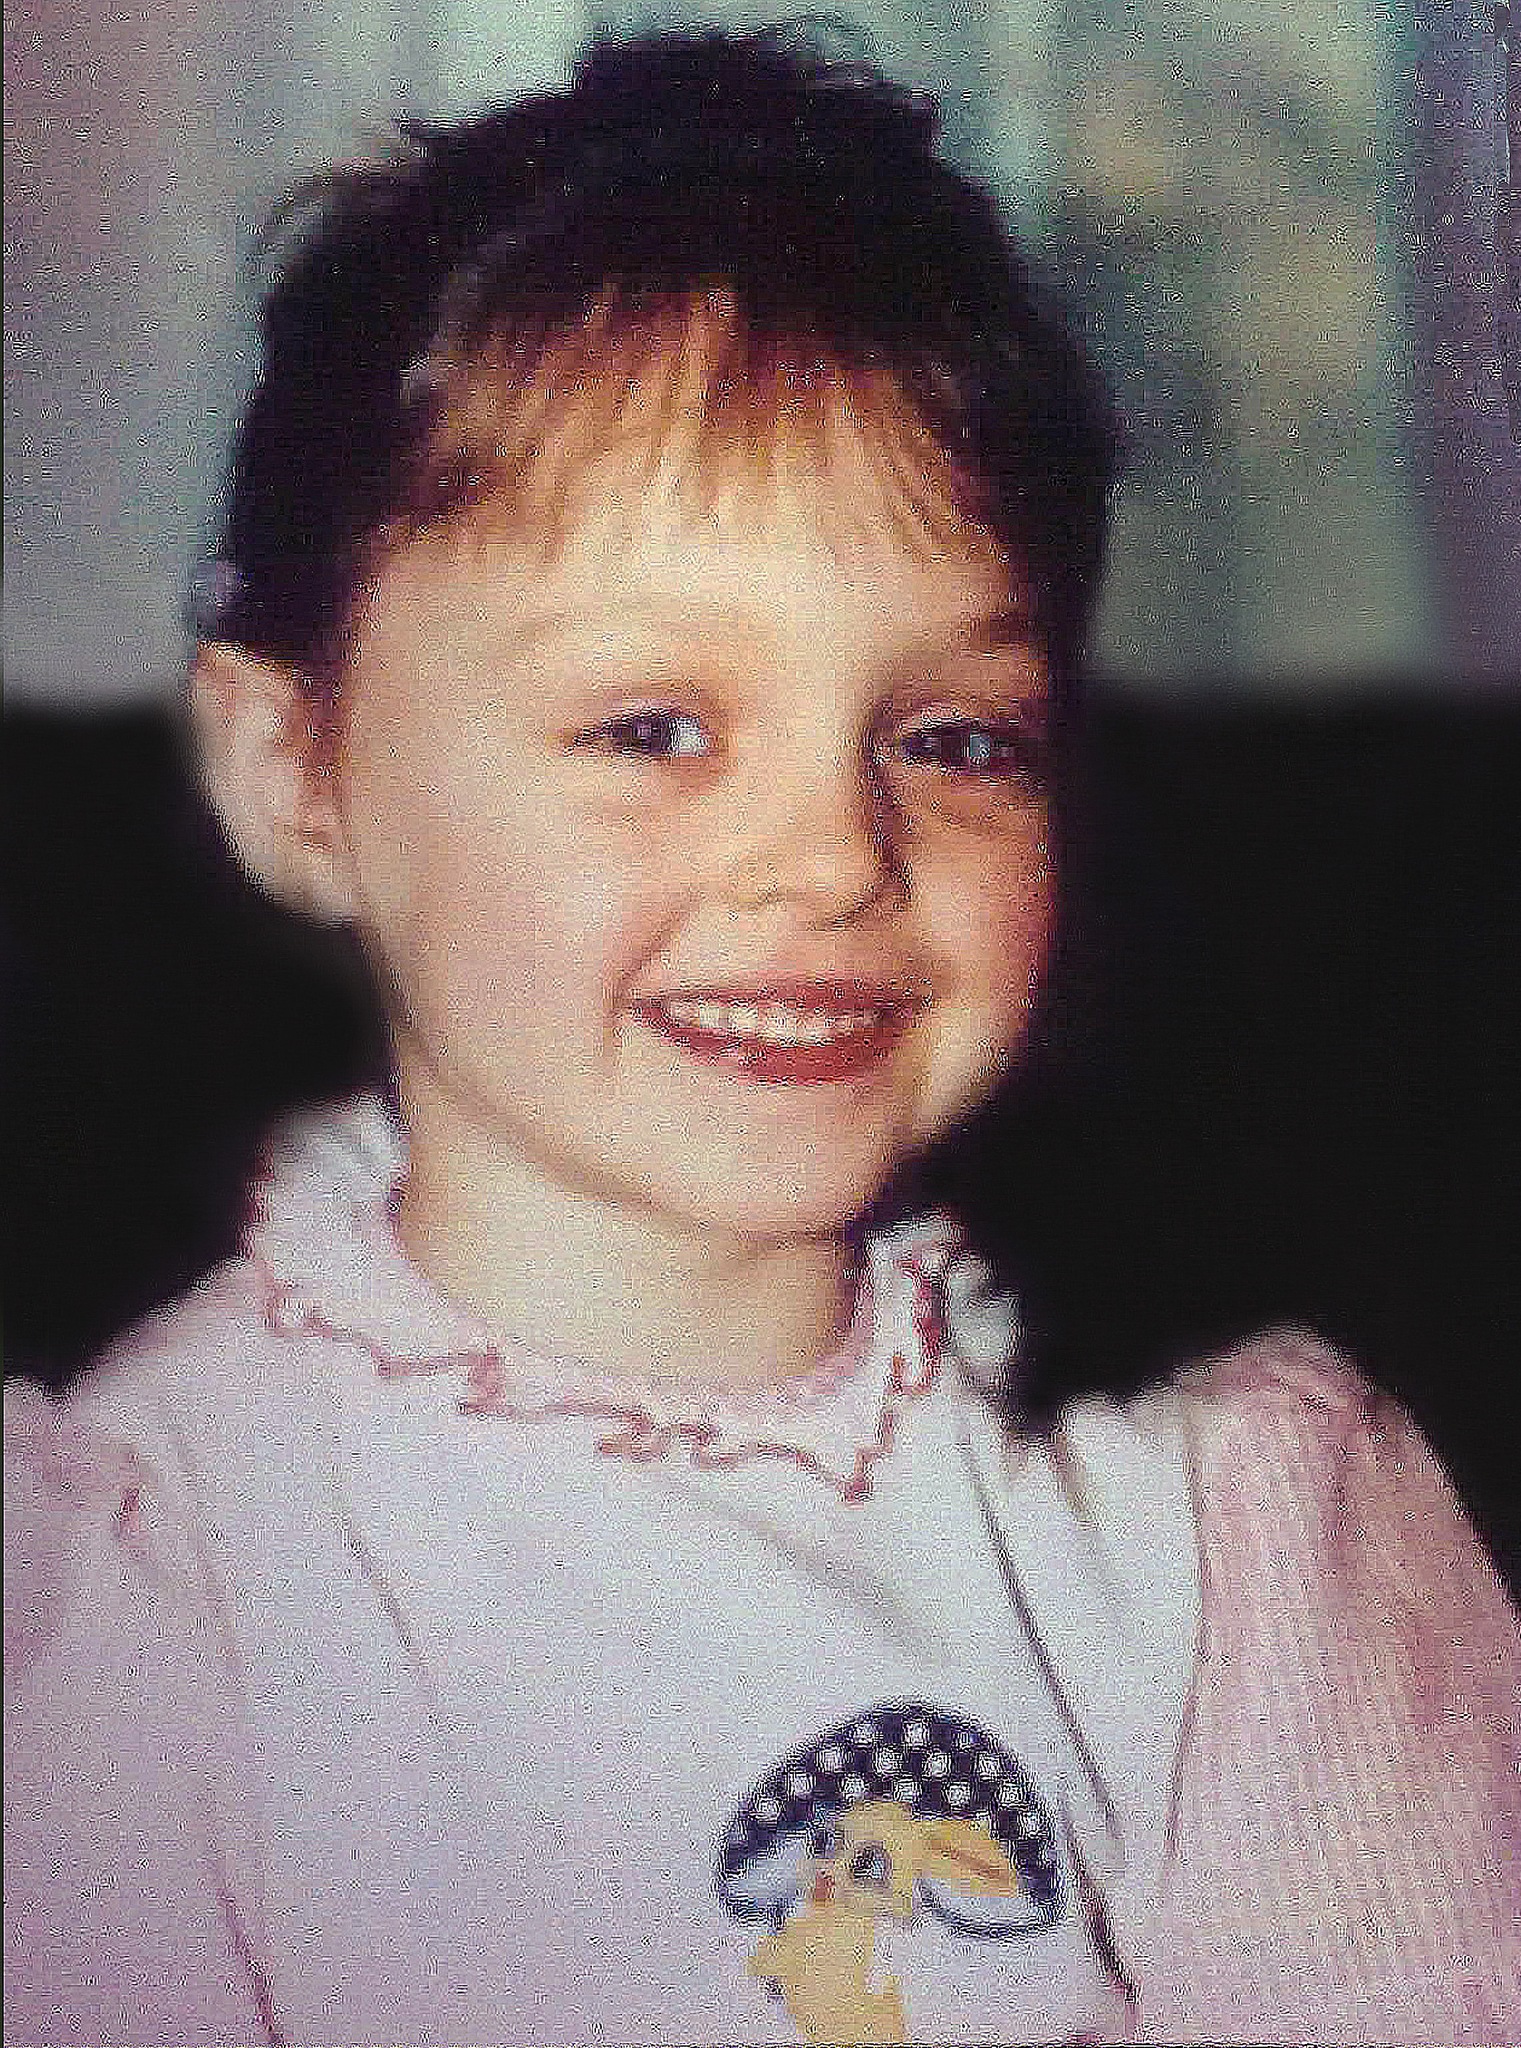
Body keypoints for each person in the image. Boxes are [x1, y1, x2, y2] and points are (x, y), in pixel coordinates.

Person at [3, 27, 1517, 2048]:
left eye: (949, 738)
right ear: (295, 775)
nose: (828, 854)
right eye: (652, 727)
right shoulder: (139, 1588)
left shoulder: (1224, 1528)